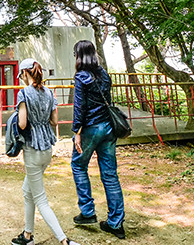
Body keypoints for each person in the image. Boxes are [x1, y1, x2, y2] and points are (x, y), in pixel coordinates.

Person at [12, 58, 80, 245]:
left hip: (32, 149)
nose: (20, 78)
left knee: (41, 200)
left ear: (25, 73)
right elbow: (54, 121)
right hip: (47, 149)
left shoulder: (23, 94)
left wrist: (17, 118)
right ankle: (27, 236)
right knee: (28, 191)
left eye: (20, 75)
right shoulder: (50, 93)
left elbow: (23, 123)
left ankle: (64, 240)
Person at [70, 40, 125, 239]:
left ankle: (87, 212)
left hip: (91, 129)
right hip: (109, 128)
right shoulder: (104, 74)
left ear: (79, 55)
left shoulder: (81, 77)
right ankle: (116, 222)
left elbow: (79, 107)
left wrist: (77, 131)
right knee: (110, 175)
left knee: (78, 165)